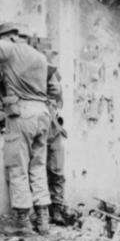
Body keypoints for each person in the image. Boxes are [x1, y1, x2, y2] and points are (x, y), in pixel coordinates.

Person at [0, 23, 51, 235]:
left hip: (22, 114)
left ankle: (22, 222)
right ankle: (43, 220)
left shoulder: (10, 49)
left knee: (17, 167)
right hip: (43, 113)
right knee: (38, 165)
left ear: (8, 38)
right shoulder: (40, 56)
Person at [45, 64, 68, 225]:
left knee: (57, 171)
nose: (52, 84)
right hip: (37, 132)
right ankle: (41, 213)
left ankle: (57, 209)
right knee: (37, 173)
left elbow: (57, 94)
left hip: (54, 133)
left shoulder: (50, 73)